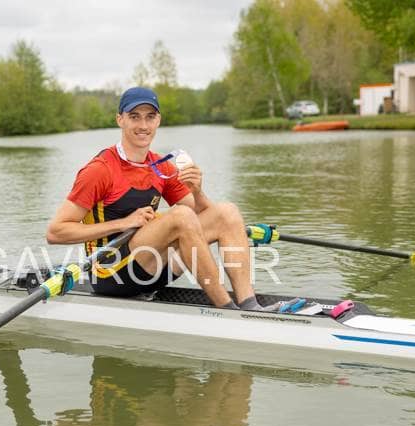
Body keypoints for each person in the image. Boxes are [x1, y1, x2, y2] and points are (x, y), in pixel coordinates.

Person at [46, 86, 260, 310]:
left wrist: (197, 190)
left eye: (150, 117)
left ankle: (249, 305)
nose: (143, 125)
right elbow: (56, 232)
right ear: (120, 120)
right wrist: (124, 223)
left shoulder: (160, 166)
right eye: (134, 117)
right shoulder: (100, 170)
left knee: (227, 212)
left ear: (158, 120)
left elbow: (204, 216)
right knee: (181, 216)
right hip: (109, 274)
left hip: (151, 268)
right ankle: (227, 310)